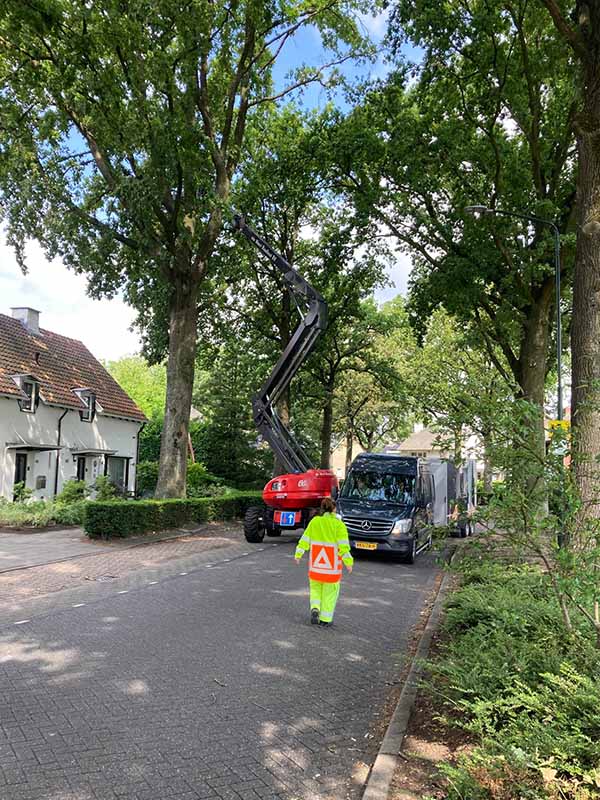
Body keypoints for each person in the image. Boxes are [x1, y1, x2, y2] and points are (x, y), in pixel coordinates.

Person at [294, 496, 353, 626]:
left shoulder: (315, 522)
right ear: (334, 509)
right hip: (331, 570)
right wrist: (348, 563)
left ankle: (315, 607)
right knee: (329, 594)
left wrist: (298, 554)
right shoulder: (339, 525)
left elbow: (304, 540)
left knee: (315, 590)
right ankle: (325, 620)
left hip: (315, 568)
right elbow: (343, 547)